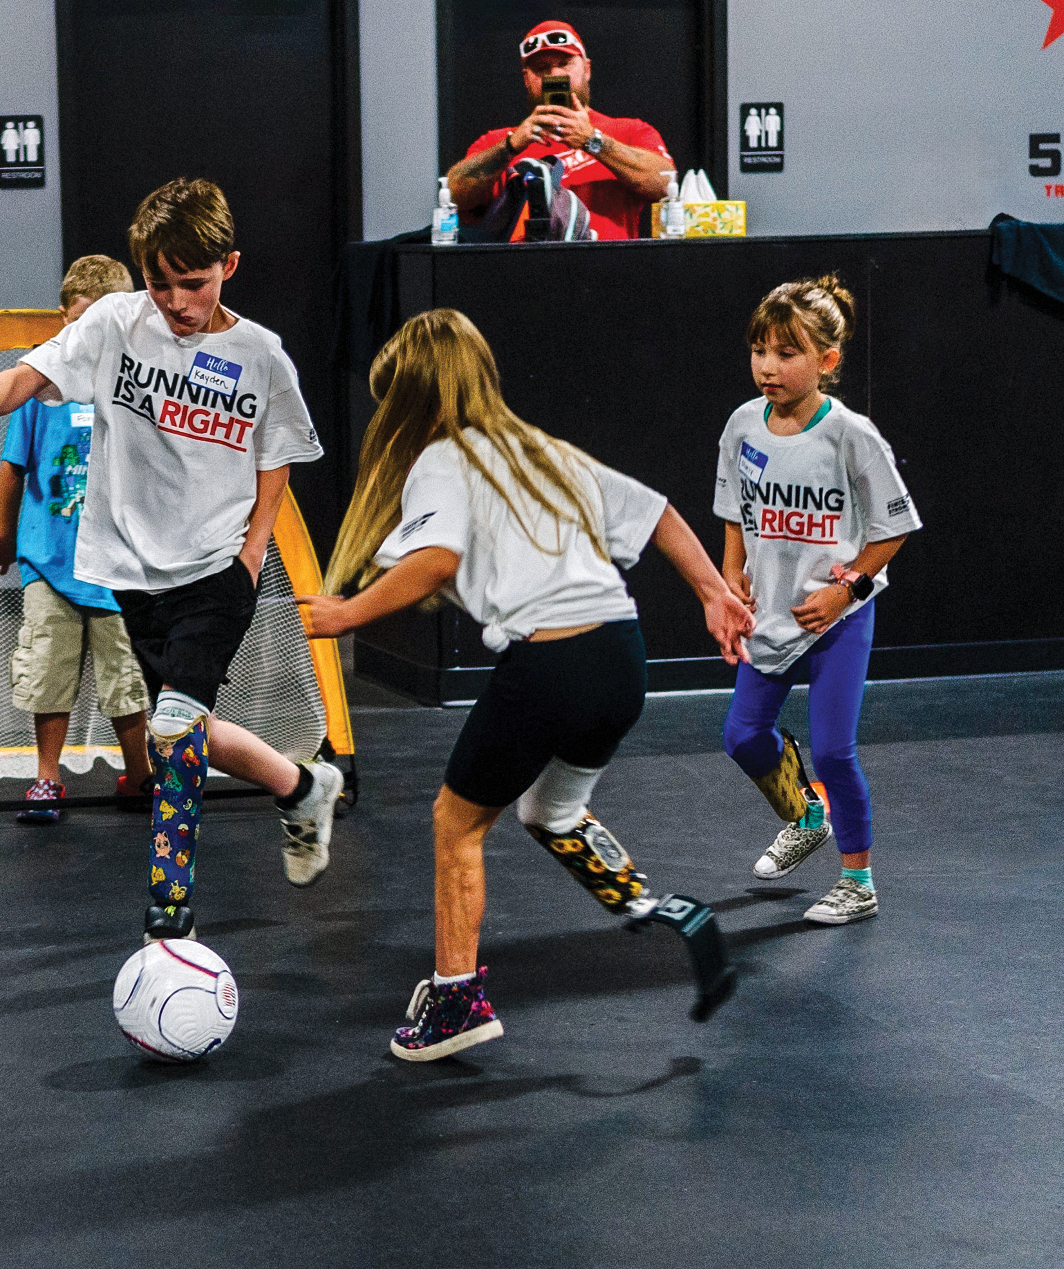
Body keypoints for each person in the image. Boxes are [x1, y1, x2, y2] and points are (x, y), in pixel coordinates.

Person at [0, 178, 345, 944]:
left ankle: (169, 918)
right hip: (132, 571)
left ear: (229, 264)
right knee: (189, 725)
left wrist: (254, 547)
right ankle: (302, 784)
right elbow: (25, 377)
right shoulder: (113, 323)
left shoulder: (260, 355)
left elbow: (278, 454)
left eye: (193, 283)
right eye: (160, 283)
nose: (175, 301)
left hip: (215, 570)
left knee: (172, 730)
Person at [298, 308, 752, 1061]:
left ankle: (455, 1001)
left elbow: (436, 559)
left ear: (416, 399)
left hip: (552, 662)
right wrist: (711, 592)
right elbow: (659, 513)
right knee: (551, 809)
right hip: (621, 656)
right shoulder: (545, 450)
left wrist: (346, 613)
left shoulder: (443, 456)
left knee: (456, 821)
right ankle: (652, 903)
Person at [715, 276, 920, 925]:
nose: (767, 366)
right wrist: (729, 576)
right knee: (743, 736)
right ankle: (808, 814)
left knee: (835, 749)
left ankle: (857, 881)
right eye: (759, 350)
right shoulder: (743, 424)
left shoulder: (851, 436)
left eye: (786, 352)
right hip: (771, 611)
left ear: (826, 362)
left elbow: (895, 527)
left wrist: (845, 588)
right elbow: (732, 505)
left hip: (838, 618)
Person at [0, 255, 153, 822]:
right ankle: (48, 778)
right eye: (80, 323)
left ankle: (142, 775)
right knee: (47, 673)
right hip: (50, 562)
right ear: (63, 318)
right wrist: (6, 537)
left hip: (119, 570)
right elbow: (13, 466)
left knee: (127, 680)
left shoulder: (138, 384)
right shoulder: (39, 384)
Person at [444, 21, 672, 242]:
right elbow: (453, 197)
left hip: (607, 268)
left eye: (564, 63)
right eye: (541, 68)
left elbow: (665, 185)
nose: (553, 74)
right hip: (526, 271)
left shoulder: (628, 131)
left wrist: (594, 141)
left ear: (587, 69)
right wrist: (511, 146)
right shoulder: (498, 140)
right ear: (526, 79)